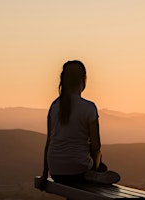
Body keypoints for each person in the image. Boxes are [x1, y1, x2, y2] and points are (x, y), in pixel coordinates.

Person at [38, 60, 120, 190]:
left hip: (55, 172)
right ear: (83, 80)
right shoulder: (89, 107)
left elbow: (49, 142)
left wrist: (44, 174)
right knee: (101, 165)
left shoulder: (54, 106)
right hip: (78, 170)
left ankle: (94, 173)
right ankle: (95, 174)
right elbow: (96, 146)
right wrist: (97, 166)